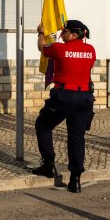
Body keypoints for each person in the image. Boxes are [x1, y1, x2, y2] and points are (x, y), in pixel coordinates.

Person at [32, 20, 96, 193]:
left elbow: (42, 47)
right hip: (85, 97)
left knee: (43, 125)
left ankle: (48, 164)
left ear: (74, 34)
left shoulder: (60, 48)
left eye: (65, 32)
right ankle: (75, 179)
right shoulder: (90, 50)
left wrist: (41, 32)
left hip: (65, 95)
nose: (61, 34)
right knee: (77, 137)